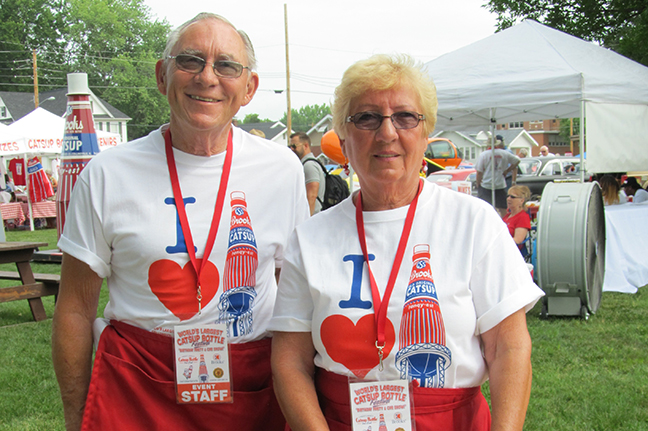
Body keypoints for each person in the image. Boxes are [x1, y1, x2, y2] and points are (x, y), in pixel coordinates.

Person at [51, 13, 309, 431]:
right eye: (190, 60)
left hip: (249, 390)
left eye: (226, 65)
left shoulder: (282, 169)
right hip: (137, 389)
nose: (207, 77)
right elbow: (76, 309)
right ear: (161, 75)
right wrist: (77, 414)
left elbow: (297, 303)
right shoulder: (106, 173)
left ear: (249, 88)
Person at [270, 54, 543, 431]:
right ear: (345, 141)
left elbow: (509, 349)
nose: (387, 133)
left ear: (425, 134)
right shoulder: (310, 238)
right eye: (366, 117)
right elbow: (290, 360)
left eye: (405, 117)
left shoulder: (474, 222)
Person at [475, 136, 520, 217]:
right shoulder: (504, 153)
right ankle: (504, 223)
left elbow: (479, 172)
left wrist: (478, 183)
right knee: (503, 208)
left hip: (486, 184)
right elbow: (517, 161)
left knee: (485, 207)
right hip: (500, 184)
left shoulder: (484, 155)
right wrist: (507, 170)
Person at [290, 132, 326, 215]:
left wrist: (307, 220)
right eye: (290, 146)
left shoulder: (309, 165)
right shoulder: (309, 163)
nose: (292, 149)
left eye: (294, 146)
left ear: (305, 146)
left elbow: (312, 196)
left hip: (313, 217)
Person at [502, 185, 532, 254]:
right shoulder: (507, 216)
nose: (508, 199)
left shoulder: (523, 217)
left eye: (512, 197)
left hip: (511, 252)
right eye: (508, 196)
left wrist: (500, 242)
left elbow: (518, 240)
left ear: (522, 200)